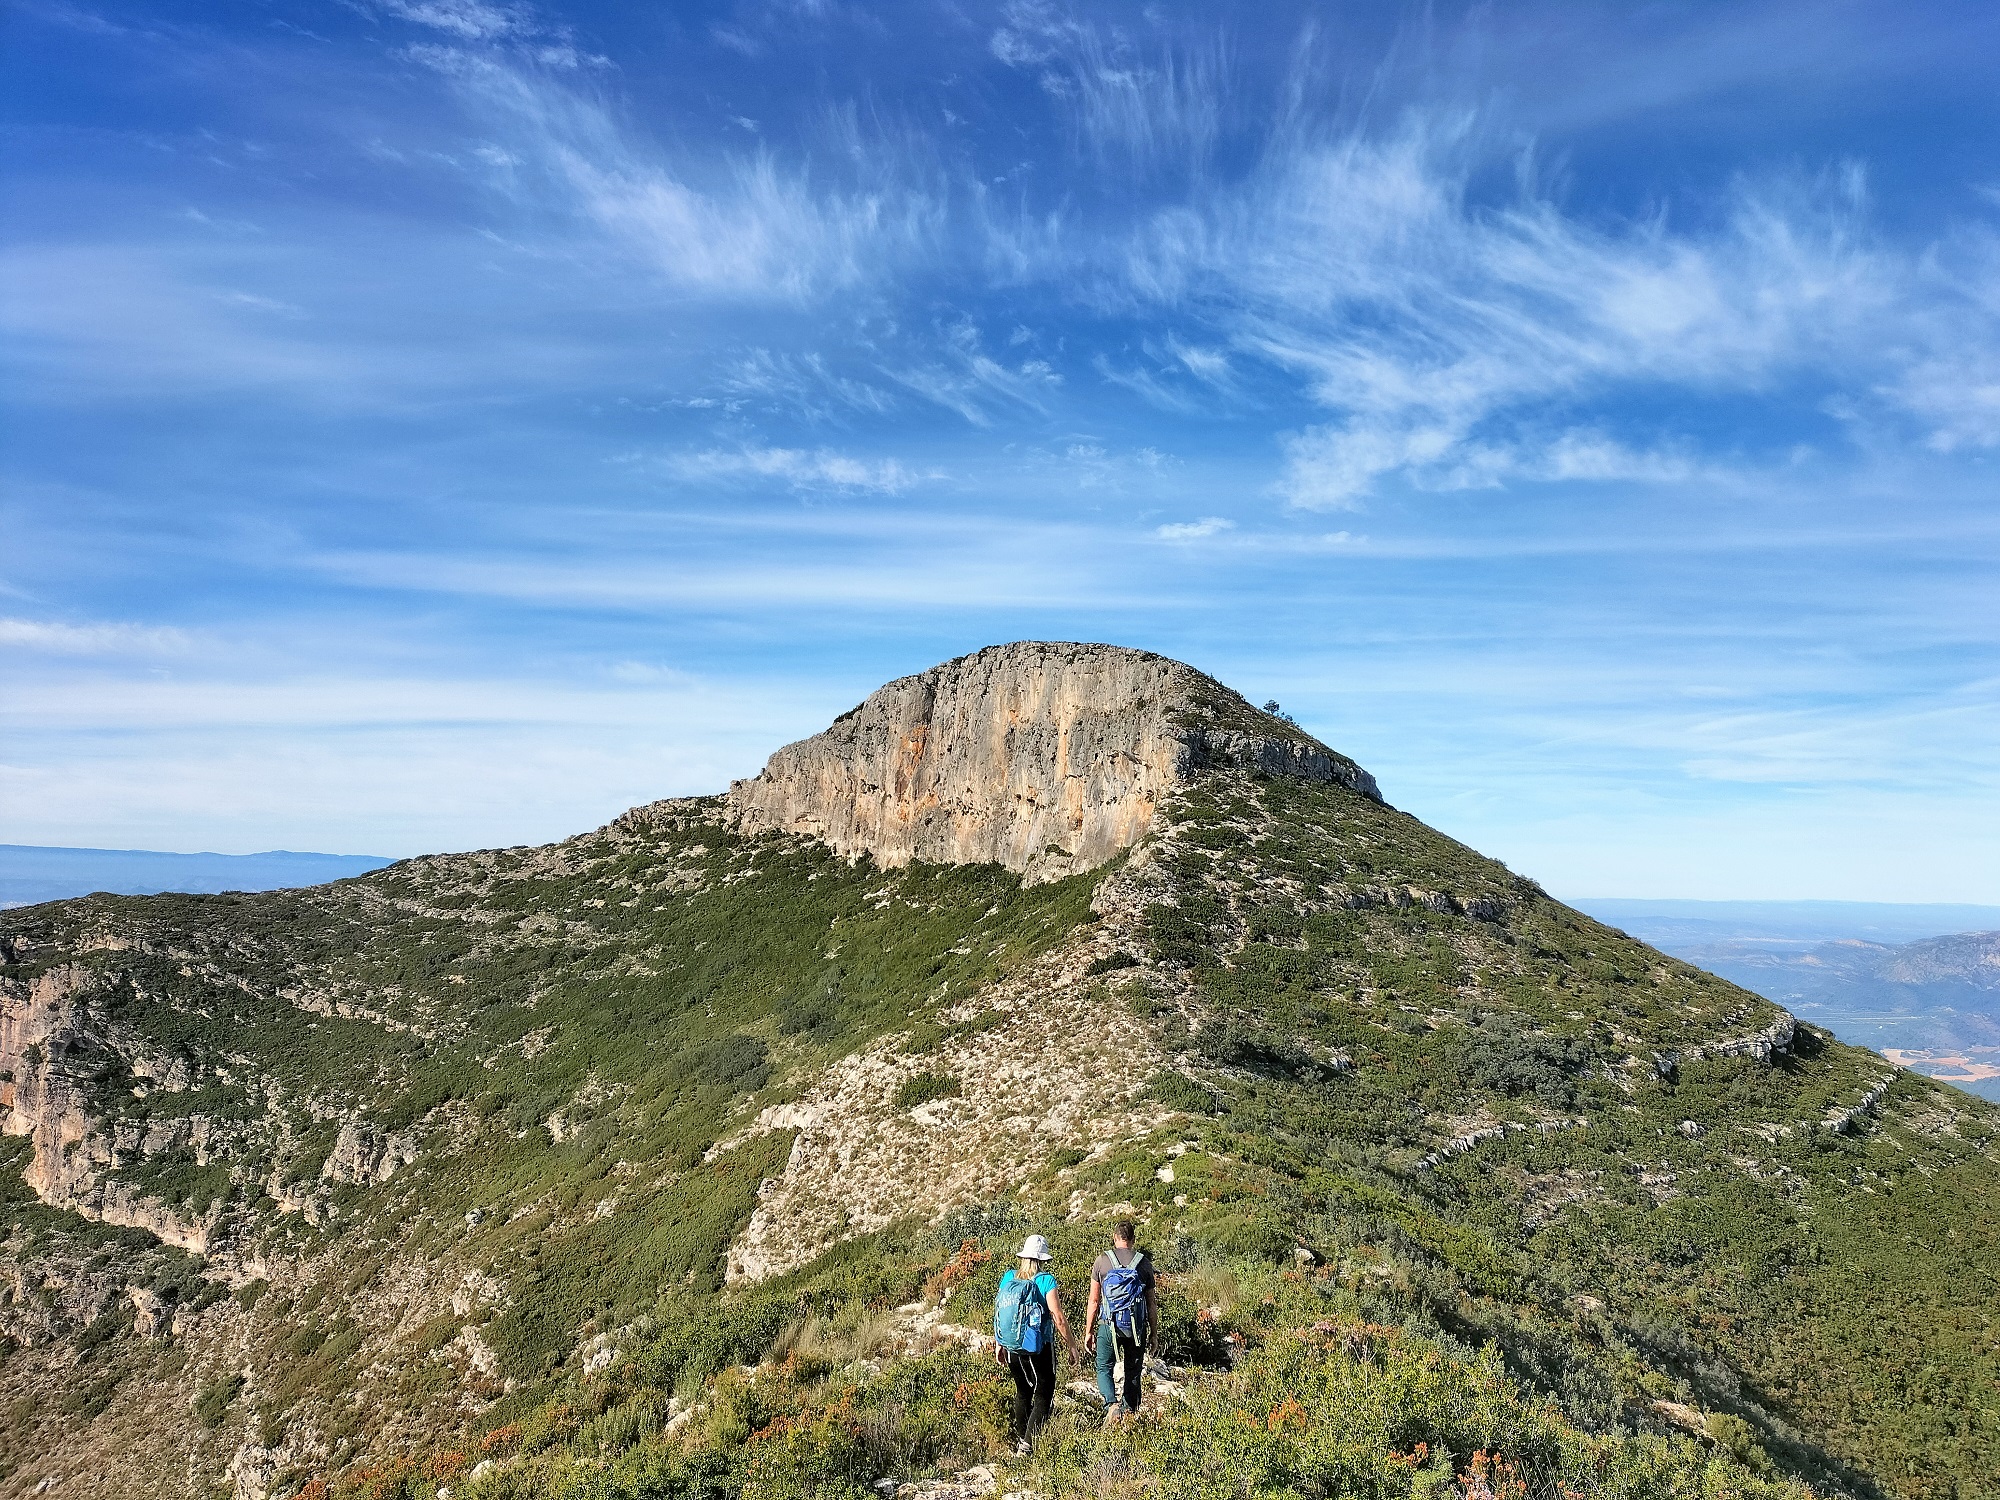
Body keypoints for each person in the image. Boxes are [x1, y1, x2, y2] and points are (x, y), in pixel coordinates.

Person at [992, 1233, 1071, 1451]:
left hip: (1012, 1346)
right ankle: (1027, 1446)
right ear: (1043, 1259)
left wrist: (999, 1342)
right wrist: (1072, 1345)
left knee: (1022, 1391)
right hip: (1039, 1346)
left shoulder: (1008, 1278)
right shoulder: (1046, 1280)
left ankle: (1020, 1439)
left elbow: (1001, 1312)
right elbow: (1058, 1317)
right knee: (1044, 1392)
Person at [1084, 1218, 1156, 1423]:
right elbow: (1151, 1304)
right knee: (1132, 1370)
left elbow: (1094, 1300)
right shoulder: (1143, 1263)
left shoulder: (1102, 1261)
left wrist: (1089, 1331)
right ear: (1133, 1239)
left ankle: (1111, 1405)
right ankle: (1130, 1414)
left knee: (1104, 1366)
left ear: (1115, 1238)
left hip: (1109, 1325)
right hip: (1136, 1327)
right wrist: (1154, 1334)